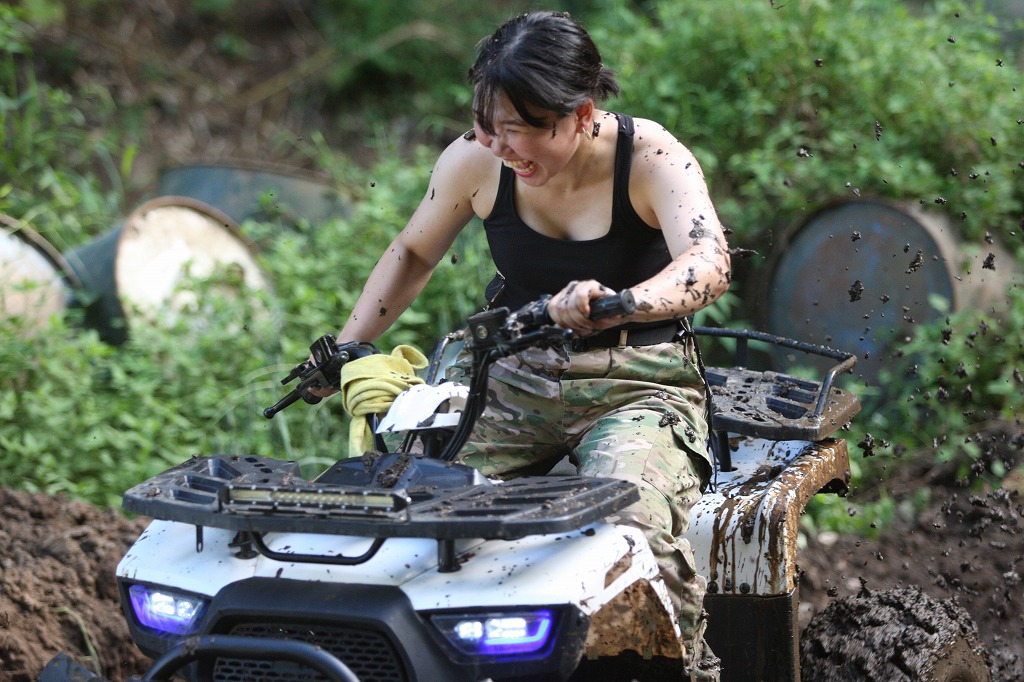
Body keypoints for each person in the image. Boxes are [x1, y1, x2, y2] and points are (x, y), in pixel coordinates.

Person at [319, 10, 730, 679]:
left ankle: (685, 669)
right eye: (487, 125)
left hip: (637, 382)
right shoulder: (475, 161)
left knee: (632, 528)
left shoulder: (651, 157)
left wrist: (622, 303)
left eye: (518, 129)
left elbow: (709, 261)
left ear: (580, 115)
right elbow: (413, 251)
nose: (500, 145)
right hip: (510, 379)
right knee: (408, 505)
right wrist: (347, 348)